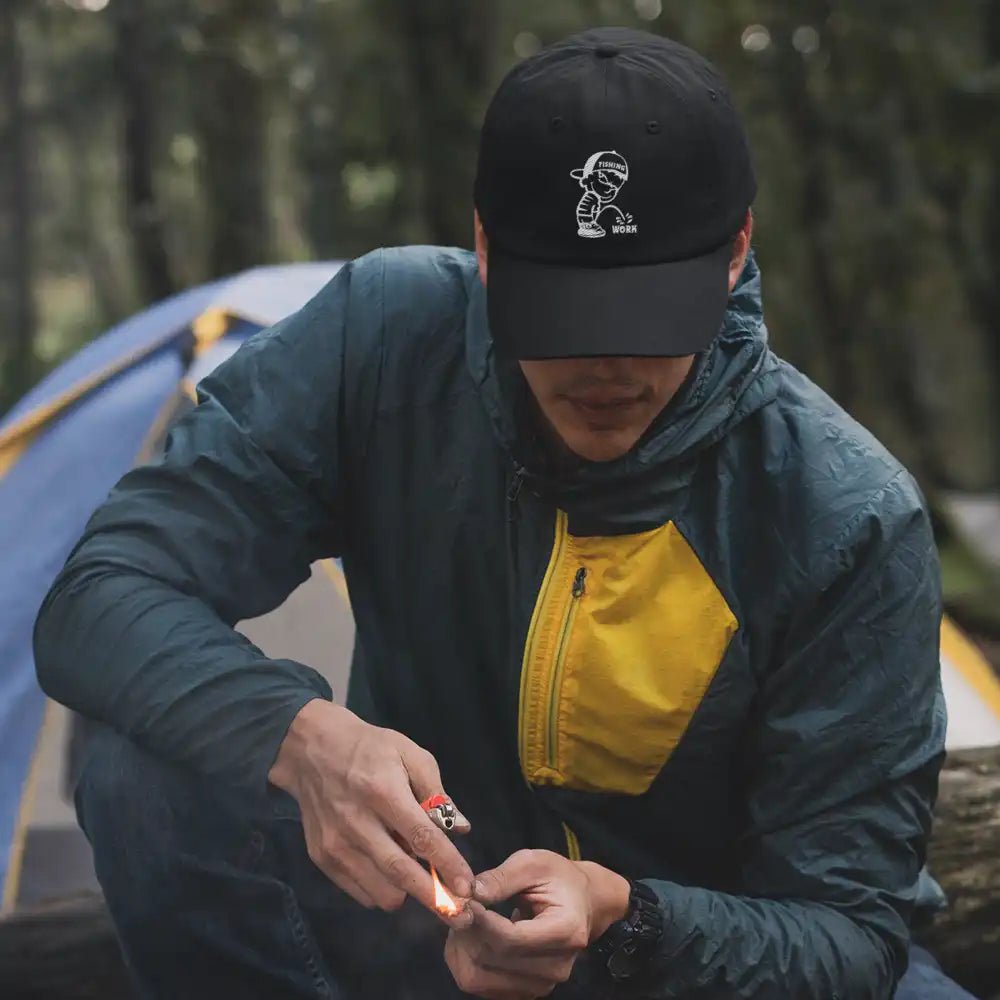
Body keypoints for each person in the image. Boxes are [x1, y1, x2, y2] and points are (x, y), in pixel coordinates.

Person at [34, 26, 972, 1000]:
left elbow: (850, 930)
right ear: (484, 246)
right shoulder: (385, 340)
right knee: (148, 754)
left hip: (677, 961)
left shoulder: (843, 512)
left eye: (648, 315)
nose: (606, 367)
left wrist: (623, 916)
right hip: (421, 932)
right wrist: (299, 735)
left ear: (735, 249)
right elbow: (98, 594)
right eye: (561, 315)